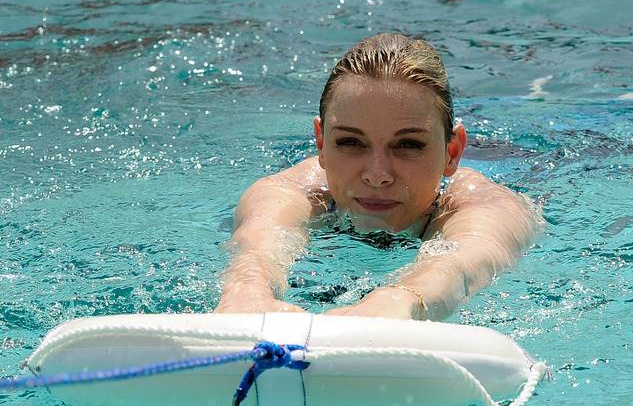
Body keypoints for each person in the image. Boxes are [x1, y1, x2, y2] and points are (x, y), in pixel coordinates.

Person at [215, 33, 543, 321]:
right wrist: (247, 286)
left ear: (452, 152)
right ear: (321, 143)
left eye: (408, 144)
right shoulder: (292, 191)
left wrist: (403, 298)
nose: (377, 175)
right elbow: (259, 243)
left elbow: (465, 261)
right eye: (350, 142)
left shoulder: (485, 204)